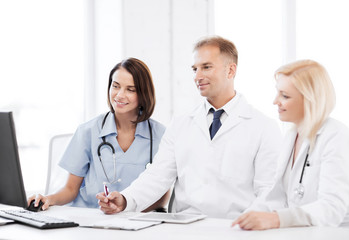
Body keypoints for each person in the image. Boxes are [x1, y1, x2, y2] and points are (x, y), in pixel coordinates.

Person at [96, 36, 282, 219]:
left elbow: (268, 191)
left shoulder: (264, 127)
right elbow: (157, 176)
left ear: (230, 70)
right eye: (194, 69)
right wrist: (125, 199)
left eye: (206, 67)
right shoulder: (181, 123)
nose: (197, 76)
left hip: (235, 229)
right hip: (184, 228)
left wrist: (251, 223)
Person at [232, 59, 349, 230]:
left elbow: (332, 208)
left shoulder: (336, 136)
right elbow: (277, 197)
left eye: (285, 96)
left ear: (310, 100)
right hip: (311, 230)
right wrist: (245, 219)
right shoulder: (292, 136)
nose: (275, 101)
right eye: (277, 93)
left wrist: (276, 219)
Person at [28, 58, 170, 211]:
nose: (120, 95)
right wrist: (48, 199)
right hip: (88, 220)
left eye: (130, 89)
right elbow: (70, 189)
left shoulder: (161, 136)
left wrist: (127, 209)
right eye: (115, 86)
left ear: (143, 93)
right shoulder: (88, 131)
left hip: (136, 222)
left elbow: (162, 196)